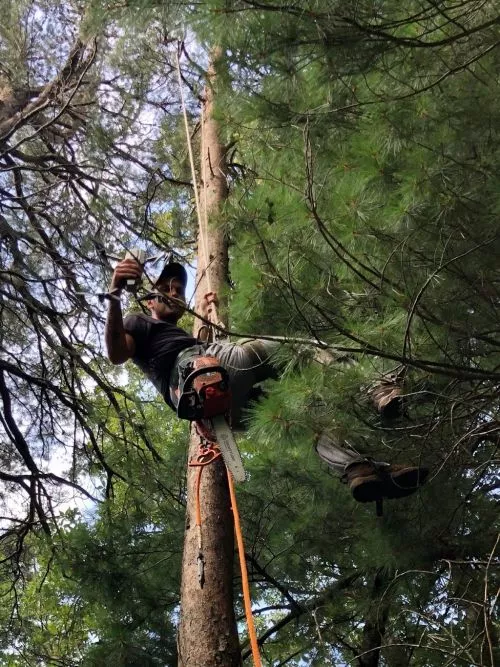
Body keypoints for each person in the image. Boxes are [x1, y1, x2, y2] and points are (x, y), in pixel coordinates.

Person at [105, 257, 429, 504]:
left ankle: (359, 469)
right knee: (303, 351)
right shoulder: (138, 322)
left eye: (178, 290)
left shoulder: (179, 336)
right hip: (215, 370)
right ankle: (377, 388)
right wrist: (115, 294)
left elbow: (194, 345)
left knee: (309, 417)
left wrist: (206, 313)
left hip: (221, 405)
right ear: (149, 298)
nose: (174, 293)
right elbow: (118, 352)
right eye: (166, 289)